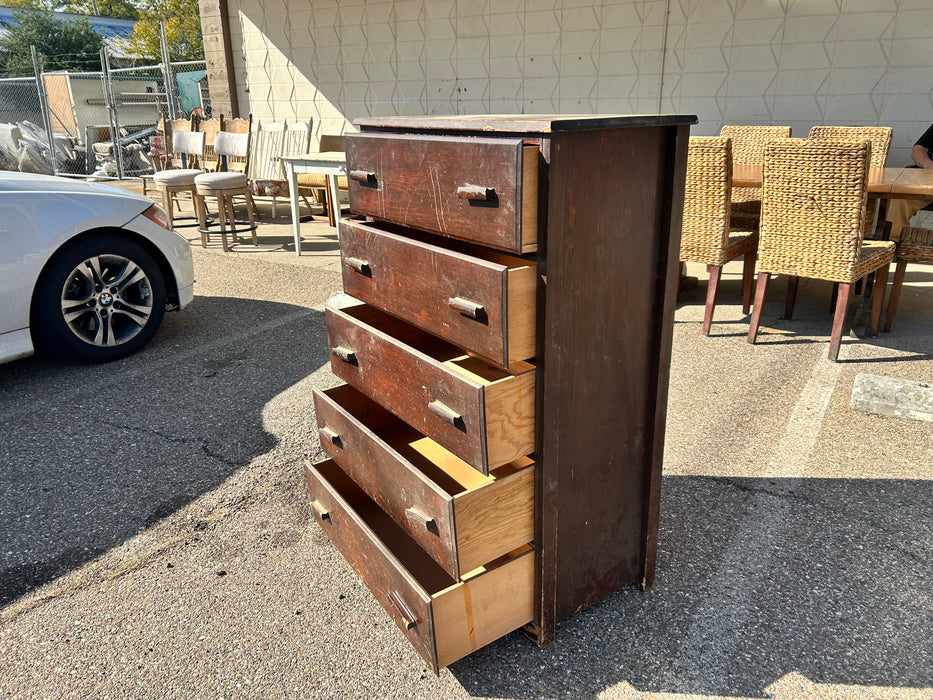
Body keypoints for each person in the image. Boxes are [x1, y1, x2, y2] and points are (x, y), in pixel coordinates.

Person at [885, 123, 933, 240]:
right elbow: (918, 150)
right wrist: (930, 166)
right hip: (927, 179)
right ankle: (893, 244)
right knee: (901, 195)